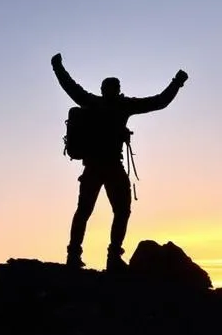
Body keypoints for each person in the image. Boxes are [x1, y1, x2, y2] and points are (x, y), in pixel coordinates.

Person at [51, 53, 188, 270]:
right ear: (116, 89)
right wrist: (177, 82)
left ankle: (76, 255)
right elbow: (159, 102)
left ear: (104, 89)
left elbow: (70, 87)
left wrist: (57, 67)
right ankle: (111, 256)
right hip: (109, 167)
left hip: (95, 167)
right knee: (116, 211)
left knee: (88, 211)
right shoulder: (122, 105)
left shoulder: (92, 103)